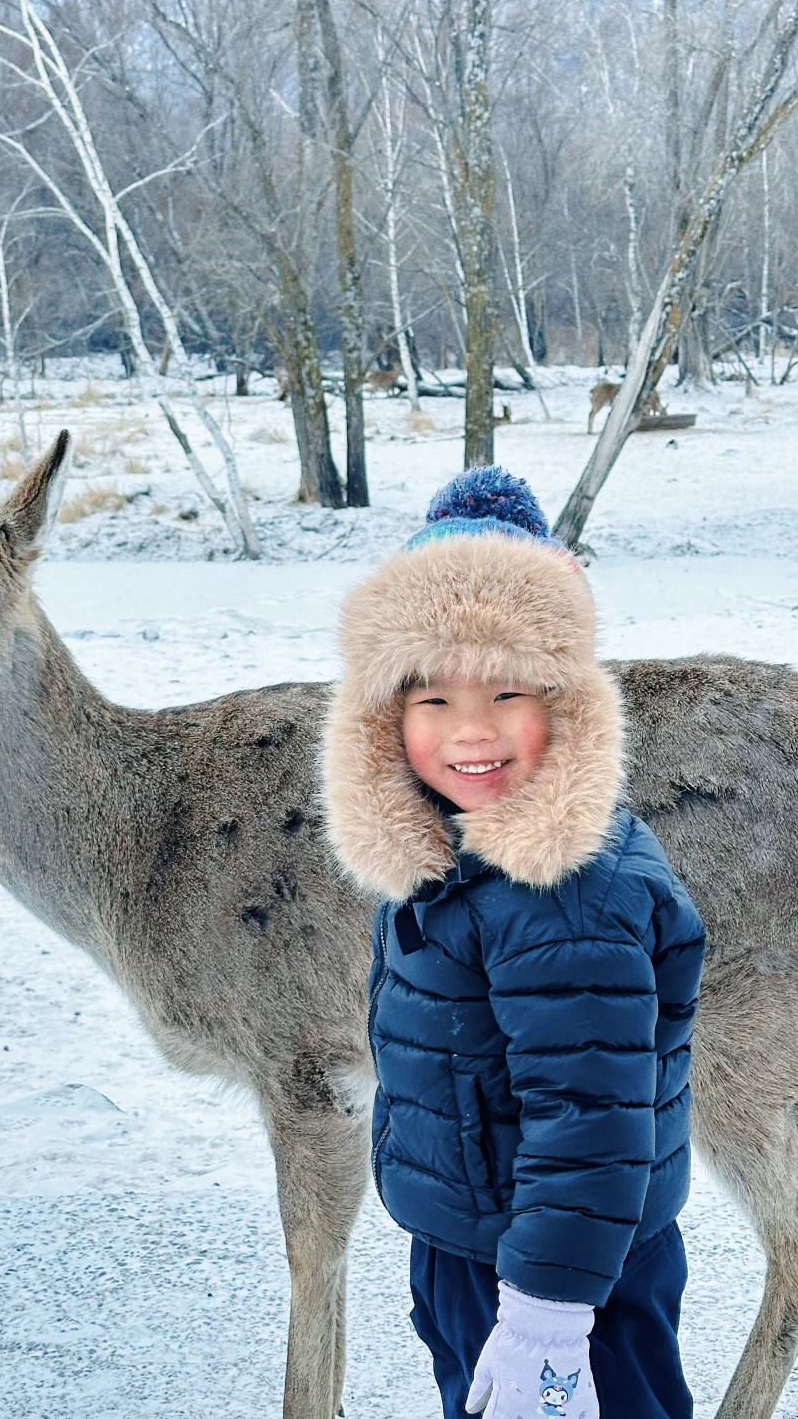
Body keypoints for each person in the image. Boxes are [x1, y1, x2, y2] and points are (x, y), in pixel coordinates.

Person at [321, 467, 706, 1419]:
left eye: (509, 692)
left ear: (566, 704)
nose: (472, 734)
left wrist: (546, 1315)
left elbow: (593, 1120)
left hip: (572, 1284)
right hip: (481, 1251)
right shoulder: (442, 854)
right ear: (383, 719)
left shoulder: (566, 893)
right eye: (433, 702)